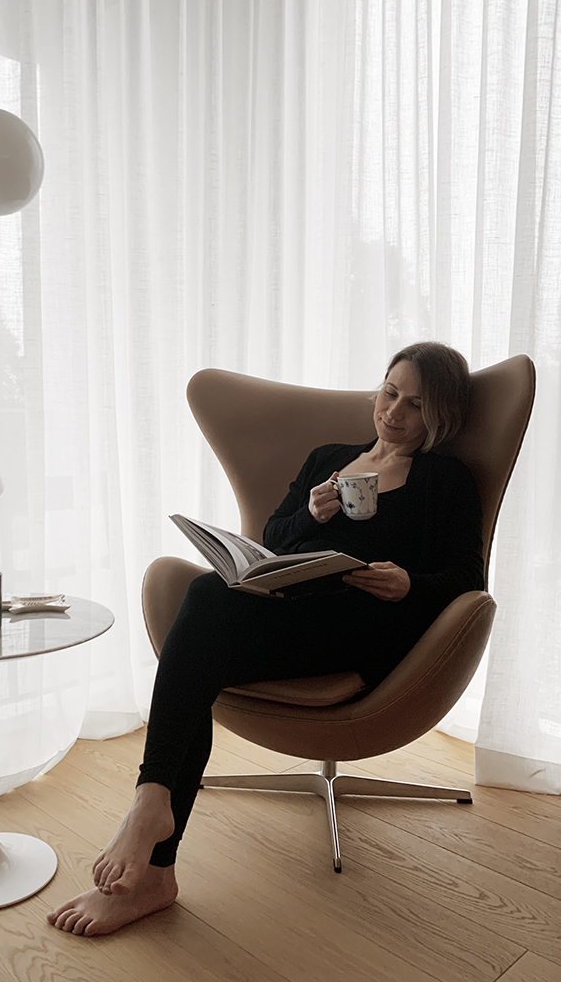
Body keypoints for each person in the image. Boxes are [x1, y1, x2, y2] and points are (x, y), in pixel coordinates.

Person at [47, 341, 485, 937]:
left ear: (442, 416)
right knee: (204, 618)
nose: (394, 412)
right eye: (390, 393)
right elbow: (273, 538)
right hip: (289, 613)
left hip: (365, 629)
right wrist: (312, 515)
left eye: (416, 404)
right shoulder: (330, 460)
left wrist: (410, 584)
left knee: (202, 614)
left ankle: (151, 812)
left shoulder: (445, 480)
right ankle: (154, 861)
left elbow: (469, 579)